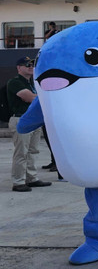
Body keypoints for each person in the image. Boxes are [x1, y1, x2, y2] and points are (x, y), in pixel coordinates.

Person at [7, 56, 52, 192]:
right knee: (22, 152)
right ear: (19, 68)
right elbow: (29, 98)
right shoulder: (14, 82)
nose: (31, 67)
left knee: (33, 151)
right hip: (20, 120)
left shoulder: (32, 83)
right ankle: (18, 181)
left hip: (33, 121)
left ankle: (31, 178)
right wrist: (44, 97)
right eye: (27, 65)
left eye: (32, 65)